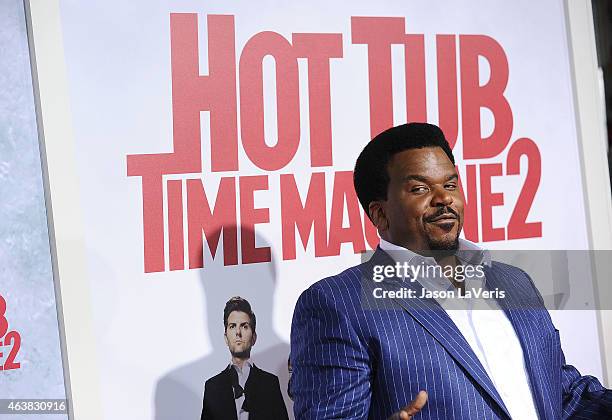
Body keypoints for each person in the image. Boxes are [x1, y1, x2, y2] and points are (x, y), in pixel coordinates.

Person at [289, 123, 612, 419]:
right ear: (380, 214)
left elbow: (562, 395)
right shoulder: (337, 304)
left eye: (451, 183)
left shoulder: (513, 281)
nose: (444, 198)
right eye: (420, 189)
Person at [201, 297, 288, 420]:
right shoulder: (212, 387)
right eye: (232, 326)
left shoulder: (270, 383)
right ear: (226, 337)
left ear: (254, 337)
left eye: (244, 326)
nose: (238, 332)